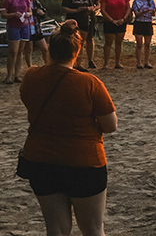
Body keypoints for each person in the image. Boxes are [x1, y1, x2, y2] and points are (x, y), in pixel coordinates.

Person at [19, 20, 118, 236]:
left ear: (50, 48)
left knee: (55, 229)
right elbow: (110, 126)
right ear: (78, 50)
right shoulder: (90, 83)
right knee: (92, 228)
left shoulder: (31, 76)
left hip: (41, 160)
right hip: (84, 162)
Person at [2, 0, 32, 84]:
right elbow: (3, 14)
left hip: (24, 26)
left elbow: (30, 11)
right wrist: (14, 14)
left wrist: (28, 14)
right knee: (13, 52)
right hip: (13, 26)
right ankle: (9, 75)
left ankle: (17, 75)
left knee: (20, 52)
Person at [62, 0, 93, 71]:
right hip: (72, 22)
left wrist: (88, 9)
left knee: (81, 43)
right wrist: (75, 10)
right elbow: (64, 8)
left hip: (84, 21)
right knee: (72, 43)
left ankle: (78, 64)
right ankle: (71, 63)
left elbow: (92, 6)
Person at [99, 0, 131, 70]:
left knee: (119, 43)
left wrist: (124, 18)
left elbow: (128, 8)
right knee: (108, 43)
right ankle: (106, 63)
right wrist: (111, 20)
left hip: (121, 21)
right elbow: (103, 10)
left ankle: (118, 62)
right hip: (109, 22)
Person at [23, 0, 50, 66]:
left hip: (36, 28)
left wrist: (42, 13)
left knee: (44, 48)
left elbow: (42, 14)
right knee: (28, 49)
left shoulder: (36, 2)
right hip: (27, 28)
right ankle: (30, 66)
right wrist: (35, 12)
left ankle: (47, 64)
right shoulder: (23, 3)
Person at [131, 0, 156, 69]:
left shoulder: (151, 2)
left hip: (148, 23)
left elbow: (154, 13)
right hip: (139, 23)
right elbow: (136, 13)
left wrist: (151, 12)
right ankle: (138, 62)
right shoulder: (136, 2)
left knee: (147, 44)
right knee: (139, 43)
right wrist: (143, 12)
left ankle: (146, 61)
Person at [81, 0, 100, 69]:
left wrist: (95, 8)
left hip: (91, 17)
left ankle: (90, 60)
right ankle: (78, 60)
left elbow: (98, 3)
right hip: (81, 17)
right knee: (80, 40)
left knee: (90, 38)